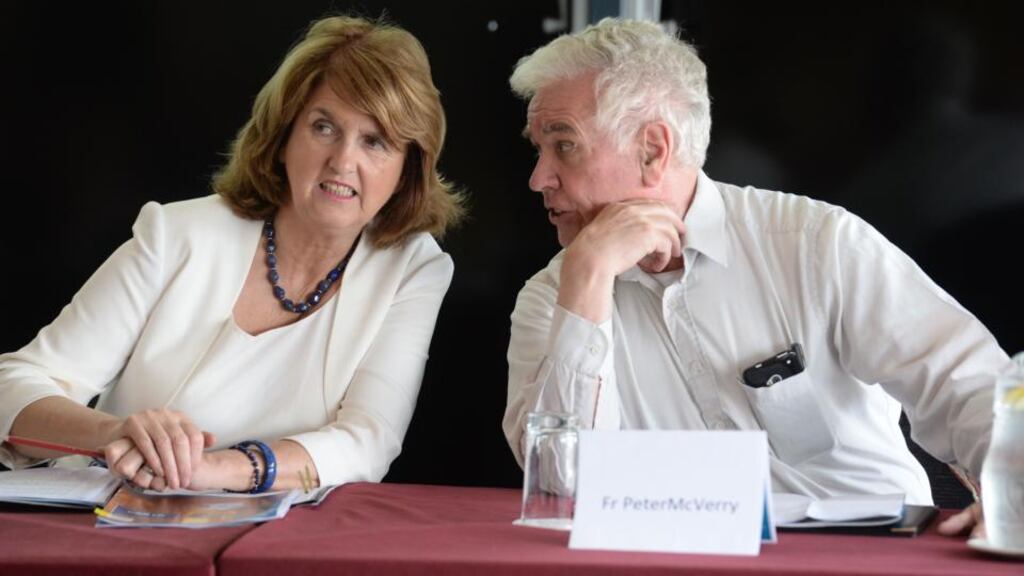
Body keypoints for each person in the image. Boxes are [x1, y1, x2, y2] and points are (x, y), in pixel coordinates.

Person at [502, 18, 1008, 538]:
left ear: (653, 150)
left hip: (864, 553)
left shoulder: (814, 245)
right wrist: (587, 277)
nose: (538, 178)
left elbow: (966, 382)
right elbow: (561, 487)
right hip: (672, 559)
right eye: (538, 149)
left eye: (564, 145)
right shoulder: (553, 297)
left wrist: (1014, 491)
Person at [0, 15, 463, 493]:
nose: (343, 161)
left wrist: (217, 470)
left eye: (375, 141)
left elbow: (369, 441)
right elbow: (13, 386)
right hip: (115, 516)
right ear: (283, 138)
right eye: (324, 127)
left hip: (285, 534)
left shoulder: (412, 269)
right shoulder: (177, 236)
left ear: (408, 169)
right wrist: (113, 434)